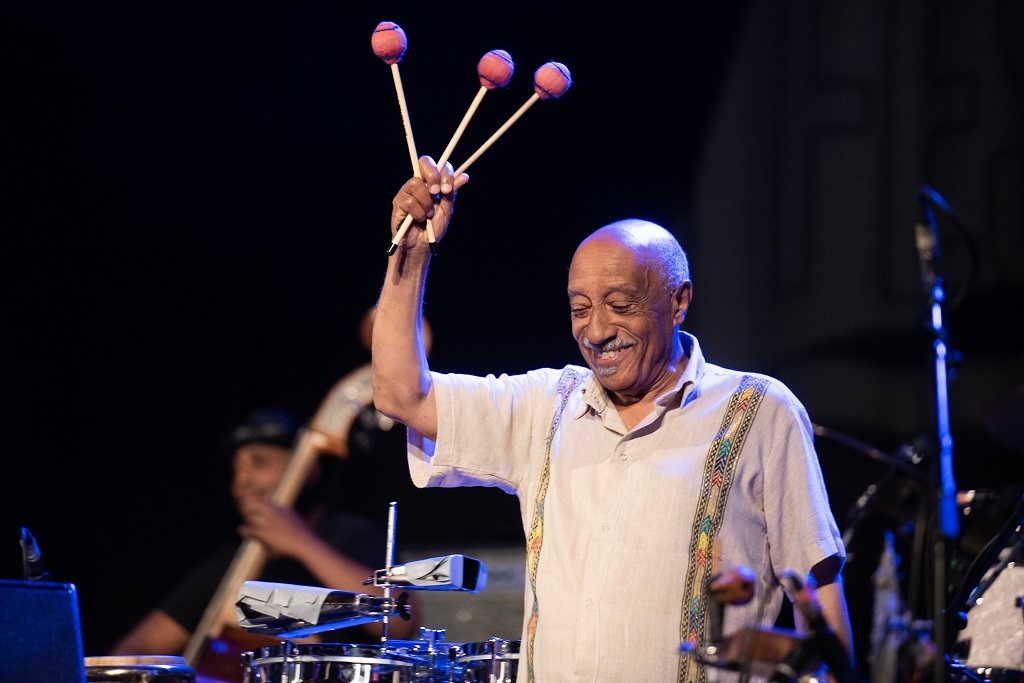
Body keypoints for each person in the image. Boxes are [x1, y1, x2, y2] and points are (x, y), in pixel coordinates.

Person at [370, 156, 855, 682]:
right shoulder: (545, 405)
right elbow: (400, 395)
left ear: (678, 301)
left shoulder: (759, 410)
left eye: (620, 305)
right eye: (580, 309)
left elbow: (820, 594)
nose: (596, 330)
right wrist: (413, 254)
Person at [110, 407, 419, 662]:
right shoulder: (231, 562)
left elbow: (400, 623)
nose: (241, 482)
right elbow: (136, 650)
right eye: (236, 469)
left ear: (308, 468)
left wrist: (301, 543)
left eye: (259, 462)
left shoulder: (352, 537)